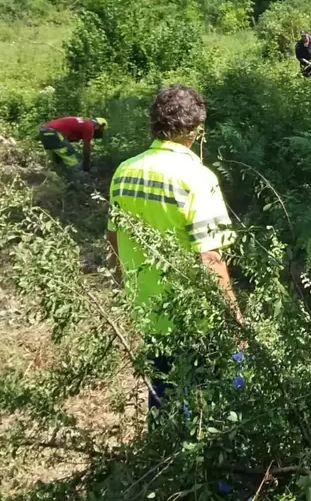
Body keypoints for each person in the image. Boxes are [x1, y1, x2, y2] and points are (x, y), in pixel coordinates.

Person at [105, 85, 244, 422]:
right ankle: (225, 472)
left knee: (164, 392)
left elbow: (113, 239)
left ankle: (166, 463)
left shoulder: (125, 171)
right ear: (196, 129)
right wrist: (234, 319)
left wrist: (128, 290)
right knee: (226, 396)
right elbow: (209, 258)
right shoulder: (197, 178)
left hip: (149, 310)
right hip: (195, 317)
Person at [39, 116, 107, 172]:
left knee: (59, 163)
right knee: (75, 163)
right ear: (98, 126)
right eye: (102, 130)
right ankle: (80, 184)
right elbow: (86, 148)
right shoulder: (89, 127)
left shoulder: (83, 122)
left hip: (44, 132)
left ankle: (57, 180)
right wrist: (86, 165)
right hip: (53, 134)